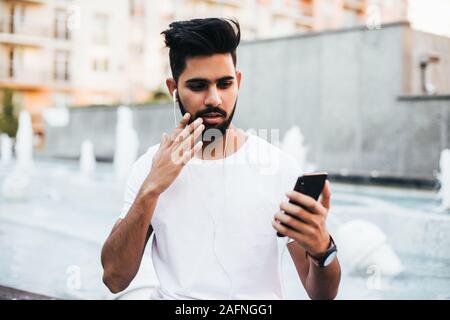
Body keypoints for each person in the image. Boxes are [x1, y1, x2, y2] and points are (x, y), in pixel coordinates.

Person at [101, 17, 340, 300]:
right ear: (173, 88)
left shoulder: (278, 167)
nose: (214, 98)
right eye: (198, 85)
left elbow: (321, 295)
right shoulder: (150, 167)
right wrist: (151, 189)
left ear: (238, 81)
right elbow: (114, 279)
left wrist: (322, 249)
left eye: (225, 84)